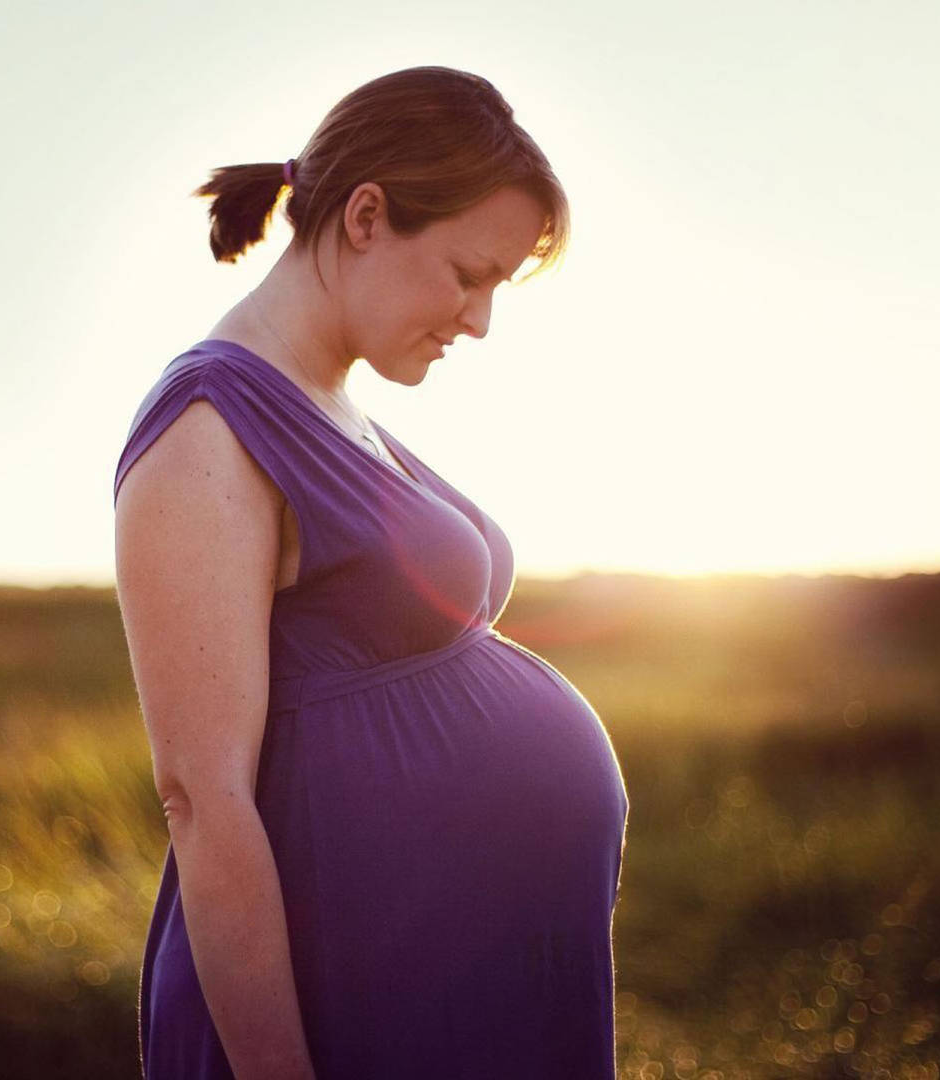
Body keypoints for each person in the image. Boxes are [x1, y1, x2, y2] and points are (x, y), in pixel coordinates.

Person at [111, 65, 629, 1079]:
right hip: (350, 1006)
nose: (479, 320)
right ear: (364, 217)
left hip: (456, 985)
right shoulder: (208, 432)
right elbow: (201, 801)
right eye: (468, 274)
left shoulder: (331, 404)